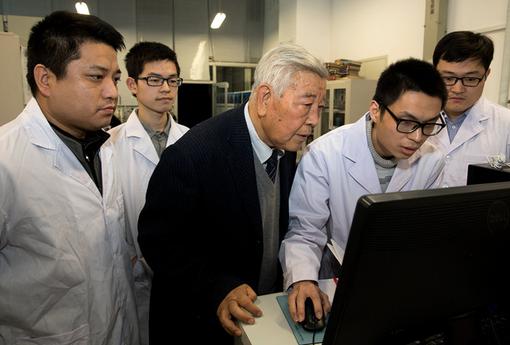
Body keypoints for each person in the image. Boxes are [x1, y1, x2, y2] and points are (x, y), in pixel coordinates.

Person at [137, 43, 327, 344]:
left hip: (261, 318)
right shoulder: (193, 155)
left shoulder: (286, 145)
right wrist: (218, 287)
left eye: (320, 108)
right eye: (306, 105)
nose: (314, 120)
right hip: (200, 325)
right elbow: (159, 242)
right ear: (265, 98)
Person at [0, 11, 139, 344]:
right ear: (45, 79)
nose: (112, 93)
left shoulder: (103, 147)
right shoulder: (6, 161)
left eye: (115, 79)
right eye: (95, 77)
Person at [279, 58, 448, 325]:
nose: (417, 137)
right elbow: (305, 230)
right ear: (376, 110)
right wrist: (302, 279)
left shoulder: (432, 160)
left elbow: (422, 233)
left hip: (395, 282)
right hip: (334, 278)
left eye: (429, 125)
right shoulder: (325, 153)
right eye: (407, 122)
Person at [108, 41, 189, 345]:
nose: (166, 88)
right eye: (154, 80)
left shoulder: (193, 142)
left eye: (172, 80)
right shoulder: (110, 146)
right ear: (132, 85)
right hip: (131, 277)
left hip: (182, 276)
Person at [428, 30, 510, 187]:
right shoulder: (415, 122)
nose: (458, 88)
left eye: (470, 79)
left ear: (486, 75)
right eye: (448, 78)